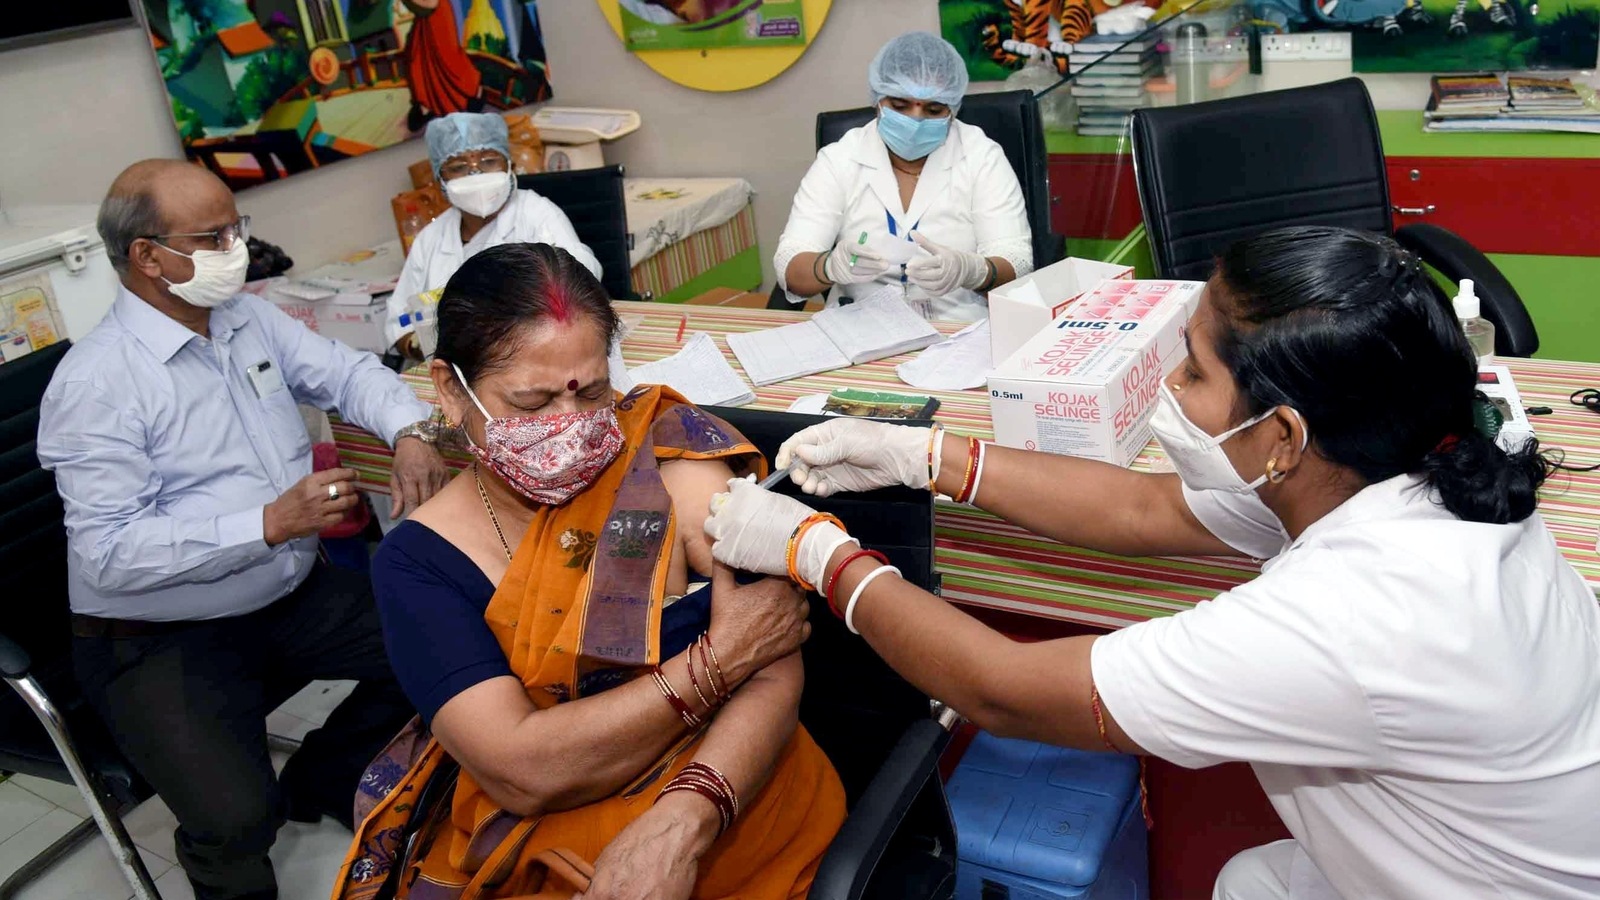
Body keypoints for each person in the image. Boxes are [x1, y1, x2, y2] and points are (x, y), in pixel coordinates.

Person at [707, 226, 1600, 900]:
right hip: (1493, 845)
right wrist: (929, 459)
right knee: (1254, 881)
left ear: (1283, 435)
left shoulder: (1354, 615)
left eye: (1196, 373)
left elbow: (1004, 689)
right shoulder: (1409, 466)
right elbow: (1143, 506)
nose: (1170, 388)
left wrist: (817, 552)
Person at [336, 243, 845, 899]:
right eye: (530, 402)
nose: (570, 427)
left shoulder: (666, 456)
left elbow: (774, 654)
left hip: (731, 795)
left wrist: (688, 816)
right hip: (538, 828)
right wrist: (715, 663)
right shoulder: (419, 562)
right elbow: (521, 769)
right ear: (449, 389)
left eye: (593, 392)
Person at [36, 159, 451, 900]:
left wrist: (411, 430)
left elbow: (348, 374)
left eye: (238, 227)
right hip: (155, 637)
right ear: (148, 257)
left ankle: (323, 777)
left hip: (284, 598)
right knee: (236, 820)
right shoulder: (97, 384)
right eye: (214, 235)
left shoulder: (243, 318)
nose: (237, 247)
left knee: (447, 642)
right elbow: (108, 554)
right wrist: (266, 524)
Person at [772, 31, 1033, 322]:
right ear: (878, 100)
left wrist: (974, 271)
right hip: (859, 323)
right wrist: (828, 267)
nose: (916, 119)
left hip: (958, 324)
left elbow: (1017, 261)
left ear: (953, 109)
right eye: (899, 106)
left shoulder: (981, 156)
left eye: (934, 109)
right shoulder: (839, 159)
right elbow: (790, 267)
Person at [386, 112, 602, 353]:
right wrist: (423, 346)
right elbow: (399, 322)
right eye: (458, 167)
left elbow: (582, 281)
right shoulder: (430, 239)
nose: (475, 175)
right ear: (440, 180)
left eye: (489, 161)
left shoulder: (537, 215)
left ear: (511, 166)